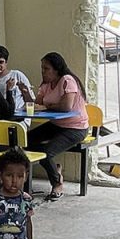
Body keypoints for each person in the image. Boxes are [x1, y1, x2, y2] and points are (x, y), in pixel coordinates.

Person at [27, 51, 90, 200]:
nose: (43, 71)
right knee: (25, 141)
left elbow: (66, 107)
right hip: (56, 124)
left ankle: (57, 183)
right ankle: (54, 170)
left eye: (46, 69)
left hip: (76, 127)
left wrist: (46, 106)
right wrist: (26, 93)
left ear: (56, 69)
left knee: (46, 153)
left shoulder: (68, 80)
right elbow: (37, 104)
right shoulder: (46, 84)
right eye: (42, 68)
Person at [0, 46, 33, 116]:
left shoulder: (17, 75)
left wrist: (25, 92)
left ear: (6, 63)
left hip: (17, 118)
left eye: (1, 62)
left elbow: (31, 102)